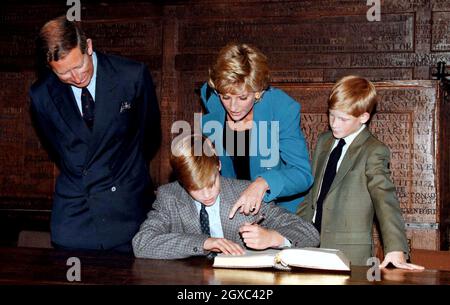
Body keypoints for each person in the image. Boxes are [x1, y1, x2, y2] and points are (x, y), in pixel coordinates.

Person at [29, 16, 160, 252]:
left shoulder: (131, 76)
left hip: (126, 207)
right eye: (64, 74)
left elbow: (150, 135)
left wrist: (123, 172)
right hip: (76, 212)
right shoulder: (42, 95)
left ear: (88, 46)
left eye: (79, 66)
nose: (77, 78)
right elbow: (58, 147)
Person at [297, 75, 424, 270]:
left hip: (351, 254)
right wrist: (295, 232)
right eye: (331, 115)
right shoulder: (324, 141)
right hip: (309, 244)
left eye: (343, 119)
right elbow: (311, 193)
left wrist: (396, 248)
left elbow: (385, 198)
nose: (334, 124)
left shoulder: (374, 150)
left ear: (363, 117)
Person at [132, 135, 319, 259]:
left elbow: (310, 234)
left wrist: (274, 238)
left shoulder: (246, 193)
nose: (206, 195)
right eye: (195, 189)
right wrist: (205, 242)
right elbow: (141, 243)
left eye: (211, 184)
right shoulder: (169, 197)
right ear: (181, 182)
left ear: (219, 166)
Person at [200, 43, 313, 217]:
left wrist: (264, 183)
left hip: (279, 209)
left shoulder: (281, 108)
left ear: (258, 91)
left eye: (243, 97)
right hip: (231, 206)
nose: (233, 106)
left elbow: (302, 174)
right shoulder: (213, 100)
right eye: (226, 97)